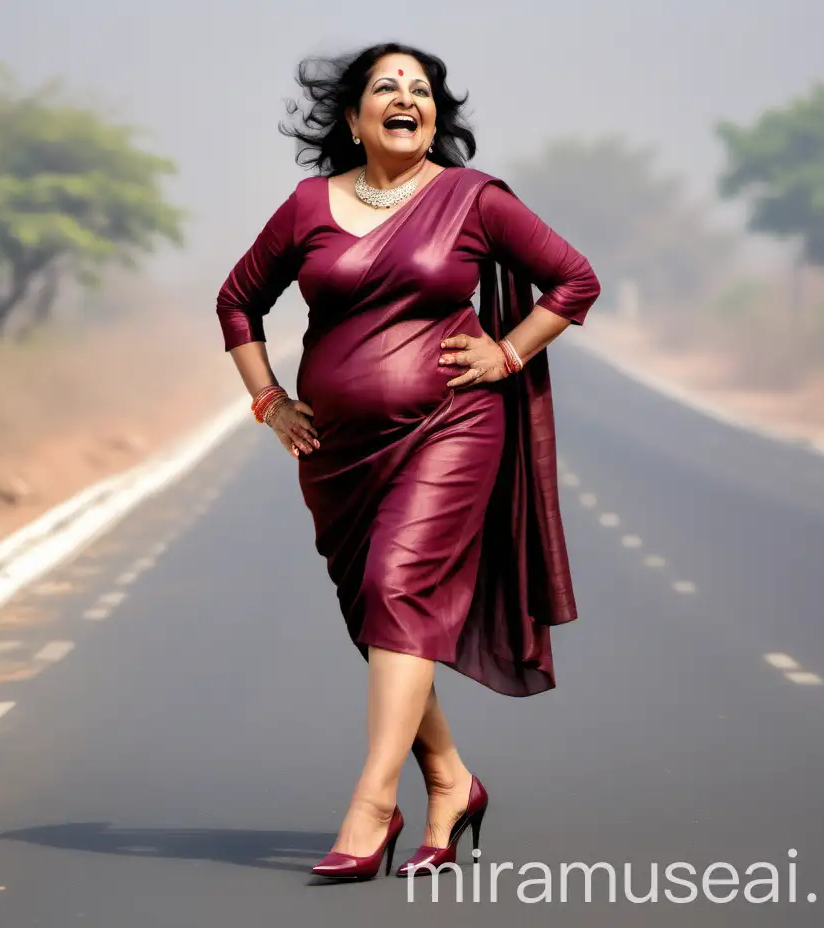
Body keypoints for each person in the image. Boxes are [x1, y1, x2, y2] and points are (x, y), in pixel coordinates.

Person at [215, 42, 601, 881]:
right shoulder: (306, 206)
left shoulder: (472, 199)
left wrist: (507, 353)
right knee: (381, 617)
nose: (405, 97)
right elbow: (238, 300)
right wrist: (269, 400)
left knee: (397, 589)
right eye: (386, 87)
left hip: (452, 427)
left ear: (434, 116)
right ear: (352, 119)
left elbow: (574, 280)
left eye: (420, 89)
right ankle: (451, 780)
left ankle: (371, 804)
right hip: (337, 453)